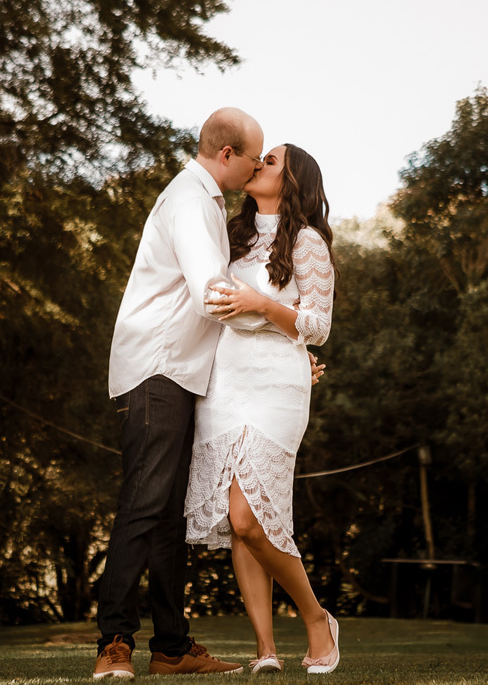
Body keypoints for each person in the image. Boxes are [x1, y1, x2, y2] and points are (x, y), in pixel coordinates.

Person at [94, 107, 266, 680]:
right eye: (254, 158)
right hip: (158, 369)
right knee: (145, 505)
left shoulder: (205, 200)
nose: (257, 168)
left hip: (179, 374)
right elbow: (211, 293)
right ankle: (113, 642)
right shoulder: (192, 200)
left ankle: (171, 647)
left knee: (169, 517)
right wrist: (279, 330)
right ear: (227, 154)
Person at [185, 143, 340, 675]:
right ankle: (266, 650)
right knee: (237, 522)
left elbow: (317, 325)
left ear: (293, 181)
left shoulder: (307, 241)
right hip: (225, 380)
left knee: (251, 518)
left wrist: (261, 306)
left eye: (270, 161)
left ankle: (316, 618)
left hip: (276, 385)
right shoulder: (231, 234)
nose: (258, 164)